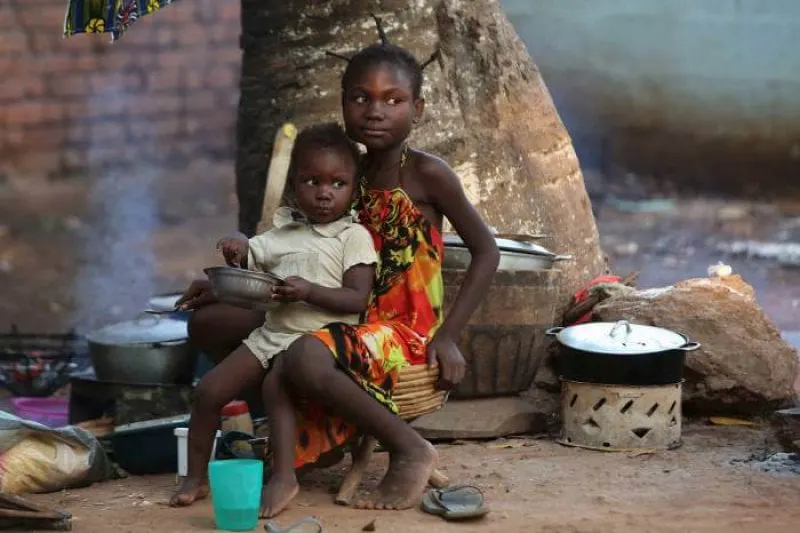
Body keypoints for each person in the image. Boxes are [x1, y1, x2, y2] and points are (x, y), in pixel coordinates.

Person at [173, 16, 500, 516]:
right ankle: (293, 433)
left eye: (394, 99)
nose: (375, 110)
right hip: (335, 312)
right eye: (360, 98)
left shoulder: (428, 173)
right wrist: (226, 285)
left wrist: (449, 335)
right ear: (344, 103)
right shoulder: (343, 172)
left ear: (419, 108)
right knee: (211, 322)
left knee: (301, 355)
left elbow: (487, 251)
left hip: (397, 328)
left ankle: (408, 447)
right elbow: (305, 251)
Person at [169, 123, 379, 512]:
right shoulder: (283, 232)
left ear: (354, 188)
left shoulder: (353, 237)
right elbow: (250, 260)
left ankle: (284, 479)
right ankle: (195, 478)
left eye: (337, 183)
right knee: (208, 391)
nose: (323, 193)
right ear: (294, 185)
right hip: (272, 334)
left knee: (275, 388)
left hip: (321, 342)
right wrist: (235, 245)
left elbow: (357, 298)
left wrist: (310, 291)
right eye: (311, 181)